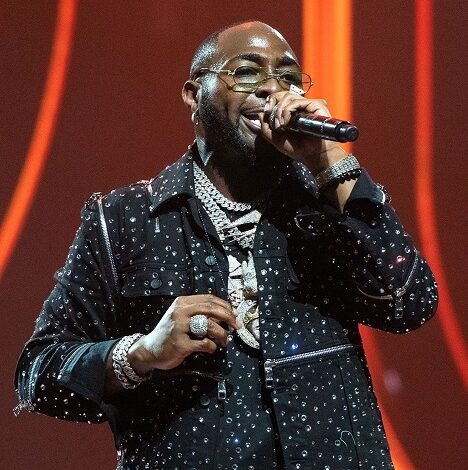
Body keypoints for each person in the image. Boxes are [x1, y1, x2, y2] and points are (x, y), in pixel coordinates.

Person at [15, 21, 438, 470]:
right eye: (248, 73)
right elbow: (39, 374)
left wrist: (329, 161)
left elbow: (409, 303)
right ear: (194, 95)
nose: (273, 89)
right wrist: (143, 353)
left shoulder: (327, 202)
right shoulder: (125, 218)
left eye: (288, 77)